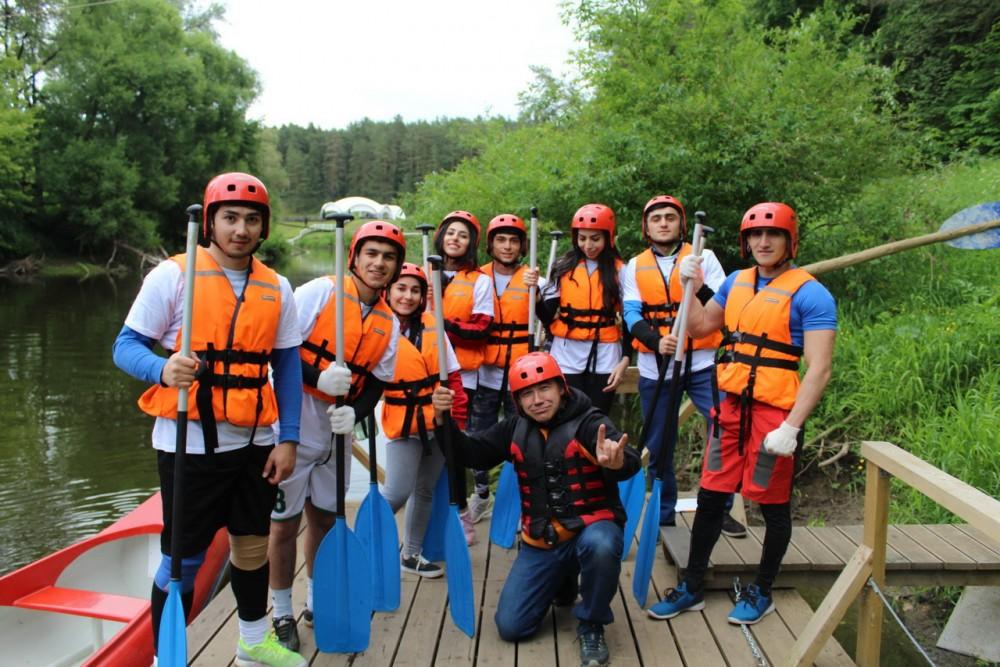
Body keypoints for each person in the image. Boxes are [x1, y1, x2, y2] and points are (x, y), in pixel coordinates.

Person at [112, 172, 307, 667]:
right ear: (211, 222)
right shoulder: (173, 276)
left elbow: (285, 367)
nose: (241, 229)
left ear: (263, 227)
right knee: (185, 561)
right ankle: (165, 658)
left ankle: (253, 639)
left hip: (256, 440)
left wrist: (289, 439)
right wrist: (161, 367)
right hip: (190, 441)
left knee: (252, 543)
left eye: (251, 219)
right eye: (230, 218)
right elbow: (125, 347)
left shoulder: (277, 286)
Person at [646, 202, 836, 625]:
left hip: (775, 417)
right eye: (755, 235)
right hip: (730, 409)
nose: (763, 242)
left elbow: (820, 368)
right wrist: (690, 286)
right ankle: (692, 586)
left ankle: (761, 590)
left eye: (773, 235)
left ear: (790, 241)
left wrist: (792, 426)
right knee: (712, 495)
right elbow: (698, 328)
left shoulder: (810, 292)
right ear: (745, 241)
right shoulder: (735, 282)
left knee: (772, 506)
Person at [432, 351, 639, 667]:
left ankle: (592, 623)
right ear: (517, 400)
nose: (537, 400)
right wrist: (442, 421)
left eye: (544, 389)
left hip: (591, 528)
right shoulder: (514, 428)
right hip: (544, 541)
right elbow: (469, 454)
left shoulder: (589, 422)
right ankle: (563, 579)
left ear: (561, 388)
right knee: (511, 627)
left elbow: (630, 461)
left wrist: (616, 460)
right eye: (527, 393)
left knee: (601, 545)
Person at [268, 220, 404, 650]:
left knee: (324, 518)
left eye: (388, 257)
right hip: (293, 418)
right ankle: (281, 611)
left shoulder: (389, 321)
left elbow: (379, 382)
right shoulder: (320, 292)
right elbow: (279, 351)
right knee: (283, 522)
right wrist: (318, 377)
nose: (379, 263)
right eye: (372, 254)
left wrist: (355, 413)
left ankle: (316, 597)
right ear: (355, 257)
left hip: (336, 431)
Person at [621, 194, 746, 535]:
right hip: (655, 366)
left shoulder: (703, 255)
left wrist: (701, 284)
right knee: (659, 442)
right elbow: (631, 313)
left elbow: (725, 307)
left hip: (702, 363)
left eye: (670, 218)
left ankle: (718, 508)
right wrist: (654, 340)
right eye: (656, 218)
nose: (663, 223)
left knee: (723, 429)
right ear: (646, 227)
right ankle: (664, 512)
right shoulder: (634, 265)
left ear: (681, 223)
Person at [380, 262, 468, 577]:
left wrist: (458, 418)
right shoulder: (377, 326)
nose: (407, 296)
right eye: (401, 288)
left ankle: (411, 554)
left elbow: (453, 376)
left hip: (440, 420)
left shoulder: (433, 325)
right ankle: (364, 541)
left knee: (425, 489)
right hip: (404, 422)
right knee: (397, 491)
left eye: (415, 290)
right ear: (387, 291)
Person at [466, 214, 540, 523]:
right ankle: (482, 492)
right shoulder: (474, 277)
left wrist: (539, 292)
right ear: (491, 244)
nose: (507, 246)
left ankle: (519, 498)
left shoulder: (534, 278)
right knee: (479, 436)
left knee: (521, 437)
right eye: (501, 239)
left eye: (513, 240)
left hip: (519, 375)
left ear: (522, 245)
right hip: (485, 371)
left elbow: (549, 317)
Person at [434, 210, 494, 543]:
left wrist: (445, 325)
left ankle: (460, 511)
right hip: (424, 373)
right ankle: (430, 509)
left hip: (461, 376)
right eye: (450, 233)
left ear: (471, 243)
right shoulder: (425, 273)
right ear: (441, 236)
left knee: (452, 446)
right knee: (424, 447)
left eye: (463, 234)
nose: (455, 238)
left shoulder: (479, 281)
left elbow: (481, 329)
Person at [538, 204, 630, 415]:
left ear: (608, 237)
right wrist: (535, 297)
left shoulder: (620, 271)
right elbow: (546, 315)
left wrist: (626, 357)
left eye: (595, 238)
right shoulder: (562, 267)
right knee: (568, 414)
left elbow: (628, 318)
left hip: (605, 351)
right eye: (582, 238)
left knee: (597, 414)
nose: (588, 245)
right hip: (566, 350)